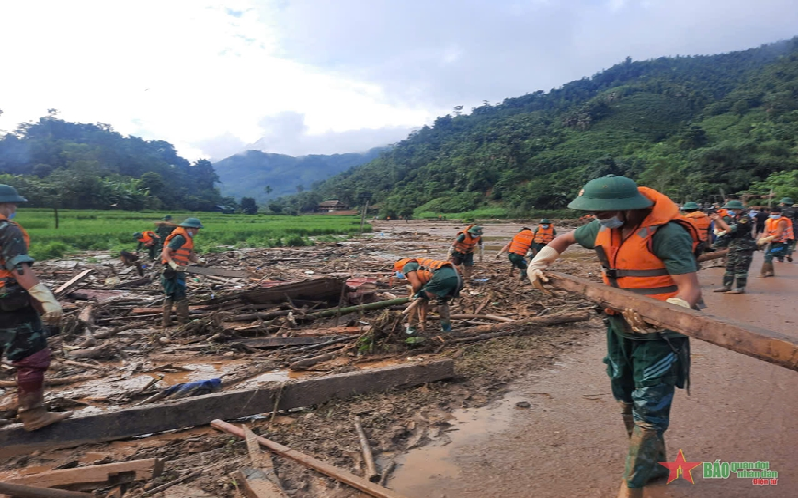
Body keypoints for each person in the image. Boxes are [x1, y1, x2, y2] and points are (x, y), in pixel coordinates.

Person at [526, 176, 699, 498]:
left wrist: (671, 310)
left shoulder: (667, 234)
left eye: (604, 211)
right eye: (595, 212)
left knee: (649, 408)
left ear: (629, 206)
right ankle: (654, 467)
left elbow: (690, 288)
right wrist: (542, 259)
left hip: (659, 335)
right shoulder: (603, 227)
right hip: (620, 328)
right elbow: (565, 238)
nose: (599, 216)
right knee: (626, 397)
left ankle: (631, 488)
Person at [0, 185, 72, 431]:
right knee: (33, 356)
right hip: (8, 303)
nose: (15, 208)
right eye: (12, 204)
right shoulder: (7, 230)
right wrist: (45, 297)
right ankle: (33, 415)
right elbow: (20, 269)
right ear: (3, 205)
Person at [394, 257, 462, 334]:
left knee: (416, 299)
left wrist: (414, 293)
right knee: (442, 301)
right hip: (457, 280)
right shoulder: (421, 265)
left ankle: (411, 328)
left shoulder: (407, 266)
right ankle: (446, 328)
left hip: (441, 279)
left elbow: (416, 285)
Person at [161, 218, 205, 326]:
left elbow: (190, 255)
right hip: (173, 270)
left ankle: (166, 321)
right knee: (180, 295)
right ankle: (183, 321)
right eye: (196, 229)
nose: (197, 231)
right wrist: (173, 264)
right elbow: (166, 252)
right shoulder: (180, 238)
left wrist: (198, 260)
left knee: (170, 295)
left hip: (179, 269)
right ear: (190, 228)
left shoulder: (188, 238)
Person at [710, 200, 755, 293]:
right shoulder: (735, 217)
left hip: (744, 247)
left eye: (732, 209)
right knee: (729, 266)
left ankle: (740, 288)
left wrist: (718, 219)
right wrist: (716, 220)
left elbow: (729, 229)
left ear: (737, 209)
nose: (730, 210)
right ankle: (726, 286)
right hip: (734, 245)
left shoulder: (745, 218)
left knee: (741, 268)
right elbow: (723, 228)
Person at [757, 207, 793, 277]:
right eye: (773, 214)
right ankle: (771, 271)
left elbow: (779, 234)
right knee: (768, 255)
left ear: (780, 214)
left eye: (776, 214)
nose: (774, 215)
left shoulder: (782, 222)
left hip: (782, 242)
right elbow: (765, 232)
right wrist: (761, 239)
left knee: (768, 255)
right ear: (770, 213)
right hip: (774, 242)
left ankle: (763, 273)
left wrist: (768, 238)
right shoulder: (768, 221)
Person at [778, 198, 796, 262]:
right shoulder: (795, 210)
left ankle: (780, 258)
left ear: (783, 203)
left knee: (780, 241)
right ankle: (788, 254)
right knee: (790, 241)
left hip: (781, 226)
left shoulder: (779, 208)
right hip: (792, 226)